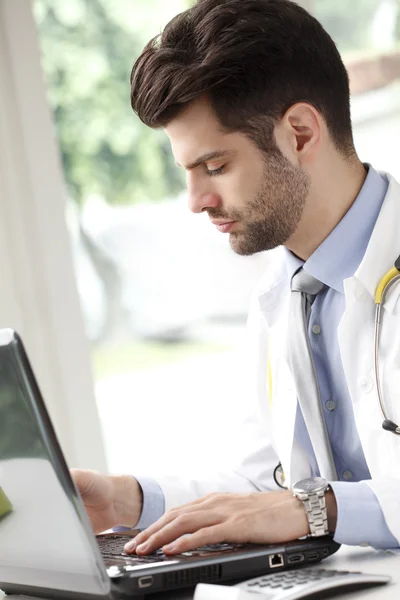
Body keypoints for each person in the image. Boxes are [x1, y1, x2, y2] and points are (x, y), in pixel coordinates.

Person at [72, 0, 400, 556]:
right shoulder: (285, 295)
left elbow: (295, 507)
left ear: (298, 134)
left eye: (216, 167)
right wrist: (128, 501)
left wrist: (314, 509)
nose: (196, 202)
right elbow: (265, 491)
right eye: (188, 172)